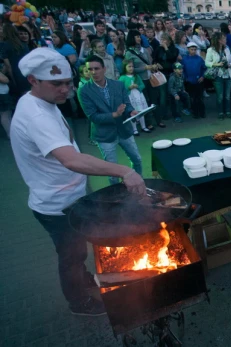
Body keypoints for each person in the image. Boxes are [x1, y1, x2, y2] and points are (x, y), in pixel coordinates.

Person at [10, 48, 145, 316]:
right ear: (33, 81)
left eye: (67, 83)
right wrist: (125, 171)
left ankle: (83, 280)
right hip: (56, 204)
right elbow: (71, 159)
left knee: (77, 252)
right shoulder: (36, 114)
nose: (64, 90)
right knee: (70, 257)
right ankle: (78, 302)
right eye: (56, 84)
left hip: (71, 194)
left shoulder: (43, 102)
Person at [78, 55, 143, 185]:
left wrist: (131, 111)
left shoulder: (118, 85)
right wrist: (115, 114)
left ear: (104, 68)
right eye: (90, 69)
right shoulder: (83, 91)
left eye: (96, 68)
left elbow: (127, 103)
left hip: (124, 129)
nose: (93, 72)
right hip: (104, 135)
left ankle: (139, 183)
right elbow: (93, 116)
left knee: (137, 160)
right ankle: (116, 194)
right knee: (112, 170)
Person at [206, 34, 231, 119]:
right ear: (219, 40)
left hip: (228, 75)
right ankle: (221, 112)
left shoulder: (227, 49)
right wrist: (217, 64)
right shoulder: (210, 50)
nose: (225, 40)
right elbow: (207, 63)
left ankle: (228, 112)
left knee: (227, 95)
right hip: (218, 75)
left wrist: (229, 65)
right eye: (224, 38)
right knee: (220, 95)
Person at [119, 60, 150, 133]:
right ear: (124, 67)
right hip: (129, 97)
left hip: (138, 96)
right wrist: (128, 88)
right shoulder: (122, 78)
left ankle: (143, 127)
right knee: (132, 112)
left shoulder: (137, 76)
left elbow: (143, 85)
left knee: (141, 111)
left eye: (132, 66)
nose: (131, 68)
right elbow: (120, 89)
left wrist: (137, 86)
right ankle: (134, 129)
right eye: (129, 66)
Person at [184, 42, 208, 118]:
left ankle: (202, 112)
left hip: (199, 81)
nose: (193, 51)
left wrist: (202, 76)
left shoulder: (199, 59)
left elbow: (205, 69)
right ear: (188, 49)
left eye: (195, 49)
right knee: (192, 98)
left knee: (200, 98)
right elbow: (183, 70)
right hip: (189, 82)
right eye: (192, 49)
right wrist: (186, 78)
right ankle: (195, 113)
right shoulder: (184, 59)